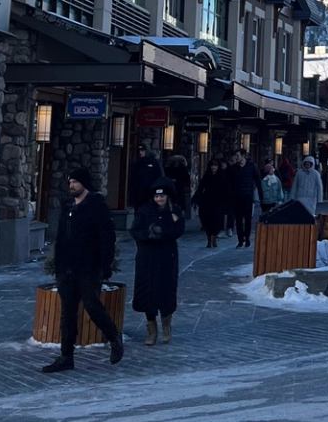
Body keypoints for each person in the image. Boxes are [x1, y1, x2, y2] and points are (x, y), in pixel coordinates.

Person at [42, 166, 123, 372]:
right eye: (70, 182)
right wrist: (59, 265)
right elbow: (61, 237)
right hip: (67, 268)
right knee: (67, 314)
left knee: (92, 305)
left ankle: (114, 337)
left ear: (84, 183)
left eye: (75, 182)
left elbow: (107, 237)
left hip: (88, 267)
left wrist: (105, 265)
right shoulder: (68, 206)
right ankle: (66, 356)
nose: (72, 186)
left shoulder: (96, 206)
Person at [130, 182, 184, 346]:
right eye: (156, 196)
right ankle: (151, 328)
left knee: (166, 290)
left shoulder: (174, 211)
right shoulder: (144, 211)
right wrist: (149, 234)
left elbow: (178, 230)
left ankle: (166, 324)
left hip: (167, 257)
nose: (159, 198)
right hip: (147, 257)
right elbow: (135, 230)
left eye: (162, 196)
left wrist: (164, 232)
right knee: (148, 291)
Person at [196, 158, 230, 248]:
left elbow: (226, 189)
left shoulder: (222, 176)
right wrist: (197, 197)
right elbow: (201, 187)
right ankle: (208, 240)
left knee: (217, 221)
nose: (213, 167)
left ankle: (214, 238)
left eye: (215, 165)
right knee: (207, 221)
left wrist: (226, 201)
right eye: (212, 165)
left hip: (218, 202)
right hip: (207, 202)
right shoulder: (207, 175)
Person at [232, 152, 259, 247]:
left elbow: (258, 180)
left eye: (238, 155)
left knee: (247, 220)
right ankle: (240, 240)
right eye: (236, 156)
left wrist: (261, 196)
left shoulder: (251, 167)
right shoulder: (234, 168)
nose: (236, 157)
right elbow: (230, 183)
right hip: (237, 198)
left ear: (243, 156)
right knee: (238, 220)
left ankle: (247, 238)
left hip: (248, 197)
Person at [128, 140, 163, 210]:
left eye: (142, 150)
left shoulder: (154, 162)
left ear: (147, 151)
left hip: (149, 193)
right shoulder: (137, 163)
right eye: (139, 150)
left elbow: (159, 177)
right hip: (138, 194)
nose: (140, 152)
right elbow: (133, 179)